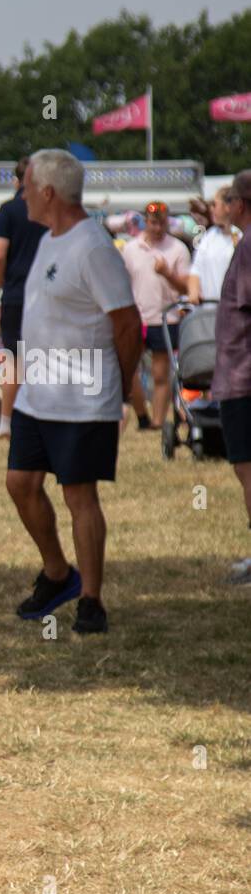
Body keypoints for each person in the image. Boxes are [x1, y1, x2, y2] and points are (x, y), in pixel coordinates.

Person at [4, 149, 143, 634]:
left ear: (47, 192)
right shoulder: (48, 240)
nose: (21, 193)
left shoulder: (94, 247)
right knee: (20, 483)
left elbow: (128, 324)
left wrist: (122, 384)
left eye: (26, 185)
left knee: (78, 494)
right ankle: (58, 572)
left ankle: (91, 600)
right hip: (37, 393)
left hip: (82, 394)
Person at [0, 157, 48, 439]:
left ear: (16, 181)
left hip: (16, 295)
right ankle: (43, 419)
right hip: (46, 295)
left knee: (13, 360)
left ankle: (7, 422)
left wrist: (2, 281)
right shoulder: (47, 209)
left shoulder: (8, 210)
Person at [211, 170, 251, 585]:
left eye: (228, 200)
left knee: (246, 466)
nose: (223, 207)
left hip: (245, 374)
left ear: (240, 204)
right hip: (240, 371)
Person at [121, 201, 191, 430]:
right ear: (145, 222)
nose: (157, 228)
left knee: (160, 373)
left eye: (161, 223)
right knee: (128, 370)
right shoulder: (131, 249)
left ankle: (159, 421)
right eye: (153, 223)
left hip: (164, 318)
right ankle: (142, 415)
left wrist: (168, 274)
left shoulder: (177, 249)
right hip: (137, 318)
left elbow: (186, 288)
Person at [188, 185, 240, 303]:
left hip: (236, 310)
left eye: (214, 205)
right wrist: (193, 292)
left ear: (228, 206)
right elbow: (196, 269)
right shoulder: (209, 236)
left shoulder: (242, 235)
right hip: (209, 310)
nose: (211, 209)